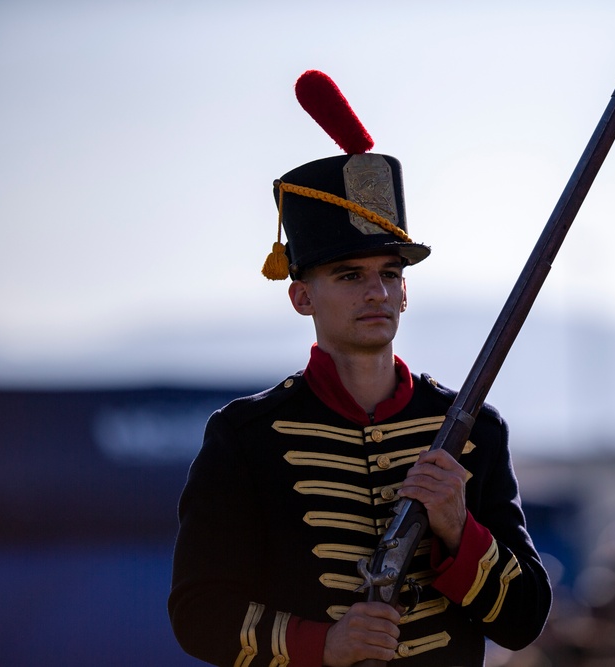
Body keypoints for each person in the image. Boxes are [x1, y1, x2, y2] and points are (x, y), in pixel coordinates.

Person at [168, 73, 552, 667]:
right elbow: (200, 614)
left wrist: (458, 528)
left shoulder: (476, 430)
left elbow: (524, 619)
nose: (375, 291)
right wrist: (325, 644)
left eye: (389, 274)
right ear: (302, 297)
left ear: (405, 292)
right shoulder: (245, 438)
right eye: (349, 275)